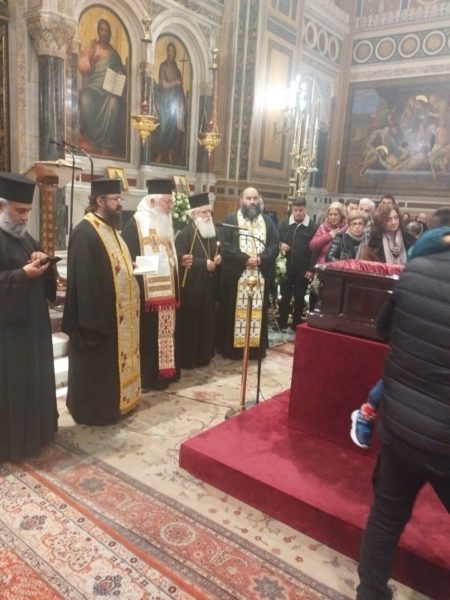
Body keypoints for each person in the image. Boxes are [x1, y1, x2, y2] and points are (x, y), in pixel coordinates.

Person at [356, 220, 450, 599]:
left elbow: (384, 329)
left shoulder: (415, 271)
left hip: (399, 425)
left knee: (386, 517)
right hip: (444, 438)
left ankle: (370, 592)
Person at [350, 209, 450, 449]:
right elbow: (383, 326)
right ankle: (366, 413)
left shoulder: (413, 257)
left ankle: (367, 414)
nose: (394, 222)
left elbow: (383, 328)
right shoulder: (415, 265)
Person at [62, 178, 140, 425]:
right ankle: (95, 412)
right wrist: (94, 325)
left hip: (115, 317)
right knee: (95, 370)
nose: (120, 203)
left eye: (120, 198)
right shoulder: (85, 232)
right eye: (116, 199)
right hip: (95, 322)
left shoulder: (111, 229)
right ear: (100, 200)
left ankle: (114, 404)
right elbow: (83, 281)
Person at [0, 172, 58, 461]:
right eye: (20, 211)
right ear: (2, 206)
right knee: (12, 386)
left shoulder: (23, 236)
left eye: (27, 212)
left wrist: (41, 257)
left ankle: (37, 433)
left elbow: (40, 261)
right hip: (8, 334)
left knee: (34, 380)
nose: (24, 218)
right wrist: (22, 275)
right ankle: (13, 444)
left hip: (32, 326)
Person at [122, 178, 180, 390]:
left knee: (167, 335)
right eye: (167, 201)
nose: (170, 206)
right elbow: (128, 260)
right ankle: (149, 377)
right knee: (149, 337)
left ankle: (166, 373)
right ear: (153, 201)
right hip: (146, 296)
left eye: (171, 201)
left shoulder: (164, 221)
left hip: (167, 296)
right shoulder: (135, 224)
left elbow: (170, 257)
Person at [217, 187, 279, 360]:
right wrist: (245, 259)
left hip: (260, 277)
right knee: (233, 314)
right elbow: (225, 246)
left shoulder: (267, 221)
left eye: (255, 198)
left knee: (257, 315)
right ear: (241, 200)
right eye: (248, 198)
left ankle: (255, 350)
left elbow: (275, 245)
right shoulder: (231, 220)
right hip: (236, 278)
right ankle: (233, 351)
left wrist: (261, 259)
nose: (252, 201)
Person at [175, 192, 221, 369]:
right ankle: (189, 359)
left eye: (209, 212)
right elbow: (180, 260)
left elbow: (218, 251)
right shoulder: (184, 234)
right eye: (204, 212)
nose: (208, 215)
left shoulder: (212, 233)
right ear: (194, 214)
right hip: (191, 289)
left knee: (207, 322)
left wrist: (218, 259)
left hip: (208, 287)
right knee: (191, 324)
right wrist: (203, 264)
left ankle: (204, 356)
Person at [78, 18, 127, 156]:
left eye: (107, 30)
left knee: (114, 103)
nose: (104, 33)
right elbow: (83, 68)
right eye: (102, 29)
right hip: (94, 88)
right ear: (98, 31)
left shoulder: (115, 54)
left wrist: (121, 72)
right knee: (85, 98)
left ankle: (107, 144)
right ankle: (91, 140)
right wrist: (89, 57)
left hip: (109, 91)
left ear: (110, 33)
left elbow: (121, 73)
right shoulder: (93, 47)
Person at [277, 197, 317, 331]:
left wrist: (311, 269)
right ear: (292, 209)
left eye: (301, 210)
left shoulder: (312, 226)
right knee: (285, 296)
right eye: (295, 210)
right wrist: (280, 245)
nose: (298, 213)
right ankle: (282, 322)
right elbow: (275, 240)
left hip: (303, 269)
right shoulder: (284, 224)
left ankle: (296, 324)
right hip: (286, 267)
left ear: (305, 209)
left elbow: (315, 250)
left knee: (299, 296)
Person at [154, 42, 186, 165]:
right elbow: (163, 85)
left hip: (174, 104)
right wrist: (176, 83)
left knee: (173, 130)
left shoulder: (177, 70)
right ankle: (160, 153)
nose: (171, 54)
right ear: (167, 52)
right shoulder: (163, 66)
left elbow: (180, 89)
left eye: (173, 52)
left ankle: (169, 153)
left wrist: (183, 102)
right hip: (164, 102)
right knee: (163, 128)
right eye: (170, 51)